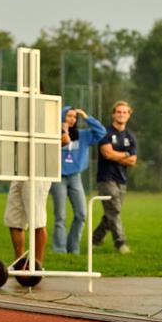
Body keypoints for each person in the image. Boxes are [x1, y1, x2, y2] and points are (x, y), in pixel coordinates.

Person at [51, 106, 106, 254]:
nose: (72, 119)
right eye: (68, 116)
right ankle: (59, 249)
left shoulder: (83, 135)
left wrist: (86, 117)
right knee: (60, 216)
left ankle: (73, 248)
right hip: (58, 177)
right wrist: (63, 132)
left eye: (75, 117)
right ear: (62, 117)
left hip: (75, 177)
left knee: (81, 214)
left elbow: (101, 133)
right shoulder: (54, 135)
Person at [92, 101, 137, 254]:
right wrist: (124, 154)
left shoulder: (130, 136)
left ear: (129, 115)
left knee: (111, 212)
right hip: (105, 178)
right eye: (119, 112)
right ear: (113, 114)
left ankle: (96, 239)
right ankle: (120, 243)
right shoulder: (105, 132)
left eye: (125, 112)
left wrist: (117, 156)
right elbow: (107, 154)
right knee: (115, 210)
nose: (121, 114)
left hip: (122, 179)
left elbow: (133, 161)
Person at [3, 179, 51, 272]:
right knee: (14, 220)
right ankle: (19, 265)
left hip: (37, 175)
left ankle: (37, 267)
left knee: (37, 221)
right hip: (18, 174)